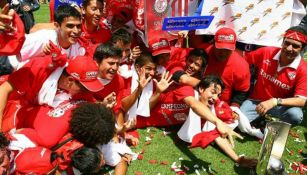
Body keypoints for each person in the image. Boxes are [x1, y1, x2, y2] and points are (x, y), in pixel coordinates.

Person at [0, 55, 104, 132]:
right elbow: (4, 89)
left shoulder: (78, 86)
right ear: (69, 81)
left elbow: (93, 105)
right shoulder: (39, 68)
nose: (86, 91)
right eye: (84, 88)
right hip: (11, 96)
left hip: (31, 104)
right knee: (7, 131)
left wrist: (103, 106)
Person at [180, 75, 257, 168]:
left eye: (218, 95)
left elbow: (216, 134)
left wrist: (238, 159)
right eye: (213, 92)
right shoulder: (187, 90)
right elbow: (194, 105)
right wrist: (218, 122)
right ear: (201, 89)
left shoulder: (212, 105)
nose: (216, 98)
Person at [240, 26, 307, 125]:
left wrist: (275, 101)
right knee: (239, 119)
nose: (289, 48)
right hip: (256, 101)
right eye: (287, 43)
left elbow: (302, 100)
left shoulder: (304, 69)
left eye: (295, 46)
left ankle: (270, 123)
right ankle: (263, 120)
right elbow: (243, 60)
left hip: (280, 106)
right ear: (282, 42)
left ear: (303, 49)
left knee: (295, 115)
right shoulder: (267, 52)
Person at [201, 27, 250, 107]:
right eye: (220, 48)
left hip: (221, 106)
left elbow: (241, 92)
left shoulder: (241, 65)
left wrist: (234, 108)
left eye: (227, 49)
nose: (223, 53)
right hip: (197, 99)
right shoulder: (203, 52)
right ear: (213, 44)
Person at [19, 5, 85, 62]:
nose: (76, 31)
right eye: (70, 26)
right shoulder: (43, 39)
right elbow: (13, 58)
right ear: (57, 26)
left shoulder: (79, 49)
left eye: (78, 26)